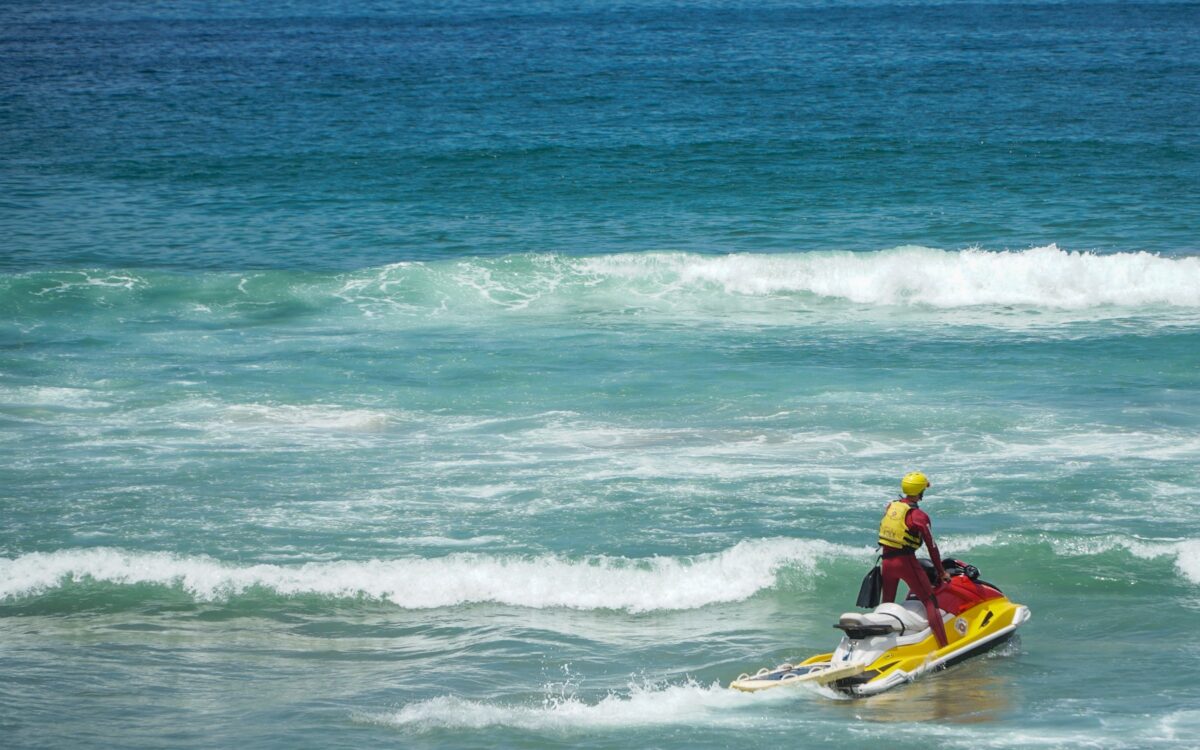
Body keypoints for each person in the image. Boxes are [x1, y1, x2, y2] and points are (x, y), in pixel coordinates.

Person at [877, 471, 951, 648]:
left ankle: (882, 645)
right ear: (920, 491)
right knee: (929, 601)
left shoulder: (891, 507)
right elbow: (931, 546)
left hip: (886, 562)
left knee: (887, 604)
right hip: (905, 562)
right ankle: (944, 646)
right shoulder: (919, 516)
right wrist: (941, 572)